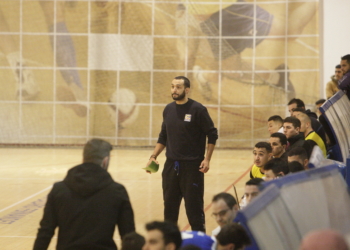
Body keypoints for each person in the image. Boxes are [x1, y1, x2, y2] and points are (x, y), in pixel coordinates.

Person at [33, 138, 135, 250]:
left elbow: (45, 232)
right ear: (105, 161)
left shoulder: (59, 190)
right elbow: (129, 237)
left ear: (83, 159)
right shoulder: (117, 192)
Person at [145, 76, 218, 232]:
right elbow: (163, 136)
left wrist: (207, 159)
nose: (174, 90)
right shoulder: (168, 109)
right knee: (169, 212)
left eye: (178, 87)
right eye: (172, 86)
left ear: (187, 90)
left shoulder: (198, 109)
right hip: (171, 167)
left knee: (194, 212)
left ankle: (200, 244)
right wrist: (153, 156)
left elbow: (212, 134)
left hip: (192, 168)